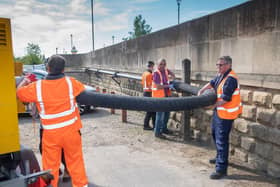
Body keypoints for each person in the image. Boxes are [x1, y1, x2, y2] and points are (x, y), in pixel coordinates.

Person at [17, 55, 88, 187]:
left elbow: (19, 93)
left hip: (50, 135)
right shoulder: (71, 82)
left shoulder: (37, 87)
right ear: (63, 69)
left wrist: (26, 80)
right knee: (76, 163)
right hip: (71, 133)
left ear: (47, 68)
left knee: (50, 168)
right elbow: (83, 93)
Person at [198, 56, 242, 179]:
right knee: (215, 134)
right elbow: (212, 83)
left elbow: (225, 99)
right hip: (219, 112)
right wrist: (201, 90)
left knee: (221, 140)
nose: (218, 67)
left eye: (220, 65)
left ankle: (221, 169)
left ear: (228, 65)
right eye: (217, 64)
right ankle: (219, 157)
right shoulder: (221, 75)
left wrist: (212, 106)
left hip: (226, 114)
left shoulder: (231, 79)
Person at [152, 58, 175, 138]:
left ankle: (164, 129)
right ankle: (157, 132)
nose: (162, 66)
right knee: (160, 115)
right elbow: (158, 86)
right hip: (159, 97)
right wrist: (168, 86)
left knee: (166, 114)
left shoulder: (165, 70)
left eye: (164, 64)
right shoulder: (156, 73)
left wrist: (172, 77)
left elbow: (171, 73)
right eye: (161, 64)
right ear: (157, 64)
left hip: (166, 95)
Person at [141, 61, 156, 130]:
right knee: (151, 111)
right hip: (149, 93)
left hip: (145, 93)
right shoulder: (149, 75)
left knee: (151, 111)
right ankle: (146, 125)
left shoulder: (144, 73)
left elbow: (143, 83)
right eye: (153, 66)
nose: (154, 68)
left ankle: (153, 125)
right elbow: (150, 86)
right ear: (151, 66)